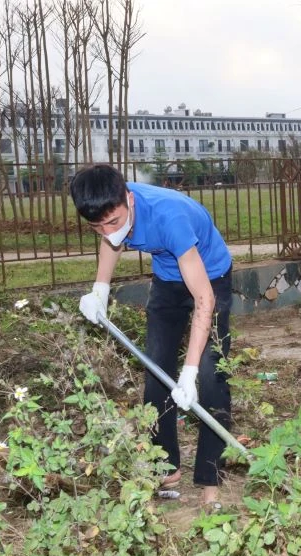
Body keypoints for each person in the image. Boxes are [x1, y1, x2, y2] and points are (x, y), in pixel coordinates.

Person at [71, 164, 234, 507]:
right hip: (167, 279)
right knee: (157, 371)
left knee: (211, 374)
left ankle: (210, 480)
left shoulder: (168, 217)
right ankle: (166, 466)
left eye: (113, 222)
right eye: (97, 226)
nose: (107, 231)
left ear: (129, 200)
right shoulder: (111, 206)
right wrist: (100, 289)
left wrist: (189, 372)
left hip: (211, 276)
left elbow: (204, 300)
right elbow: (111, 242)